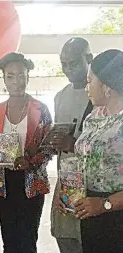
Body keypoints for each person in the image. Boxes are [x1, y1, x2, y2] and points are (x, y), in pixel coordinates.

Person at [0, 53, 54, 253]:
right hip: (4, 183)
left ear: (28, 76)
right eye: (11, 76)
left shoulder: (40, 110)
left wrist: (31, 161)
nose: (16, 81)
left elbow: (49, 148)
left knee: (28, 240)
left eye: (21, 75)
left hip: (32, 182)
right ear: (4, 79)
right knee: (9, 240)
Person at [75, 49, 123, 253]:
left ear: (105, 85)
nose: (87, 88)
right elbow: (82, 159)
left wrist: (105, 204)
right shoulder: (94, 116)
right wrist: (68, 190)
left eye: (89, 81)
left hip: (116, 211)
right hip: (91, 209)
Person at [50, 38, 93, 253]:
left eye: (73, 63)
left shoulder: (103, 95)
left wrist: (73, 143)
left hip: (94, 187)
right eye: (63, 64)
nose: (67, 69)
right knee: (65, 238)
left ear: (89, 59)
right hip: (65, 181)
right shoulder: (60, 97)